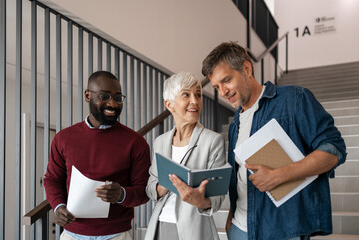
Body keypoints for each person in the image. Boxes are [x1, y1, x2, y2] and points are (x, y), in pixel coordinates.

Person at [201, 42, 347, 240]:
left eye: (226, 81)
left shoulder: (294, 99)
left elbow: (334, 149)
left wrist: (279, 175)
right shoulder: (236, 124)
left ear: (247, 68)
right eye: (217, 87)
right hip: (239, 229)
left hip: (282, 230)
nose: (223, 92)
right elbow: (240, 179)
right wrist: (230, 221)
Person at [44, 71, 151, 240]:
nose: (113, 104)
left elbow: (145, 191)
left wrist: (121, 194)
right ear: (88, 96)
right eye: (105, 96)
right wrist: (58, 206)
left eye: (117, 98)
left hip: (116, 235)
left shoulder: (136, 142)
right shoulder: (63, 138)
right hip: (72, 234)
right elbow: (52, 179)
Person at [145, 72, 226, 240]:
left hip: (195, 230)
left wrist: (200, 201)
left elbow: (217, 198)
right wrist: (168, 182)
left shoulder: (213, 141)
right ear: (170, 105)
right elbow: (151, 189)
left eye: (198, 95)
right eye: (186, 95)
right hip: (160, 225)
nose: (194, 101)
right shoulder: (160, 142)